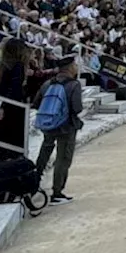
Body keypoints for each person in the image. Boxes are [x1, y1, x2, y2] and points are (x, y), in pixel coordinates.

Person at [33, 55, 83, 206]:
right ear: (69, 68)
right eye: (75, 65)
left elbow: (37, 103)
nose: (76, 67)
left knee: (45, 151)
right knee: (63, 158)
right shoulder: (74, 85)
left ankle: (34, 182)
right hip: (66, 126)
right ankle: (57, 191)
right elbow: (77, 108)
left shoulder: (48, 83)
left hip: (49, 124)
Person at [0, 38, 31, 160]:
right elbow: (14, 90)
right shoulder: (18, 66)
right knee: (16, 142)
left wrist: (1, 106)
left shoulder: (1, 65)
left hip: (2, 106)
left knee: (3, 139)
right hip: (14, 108)